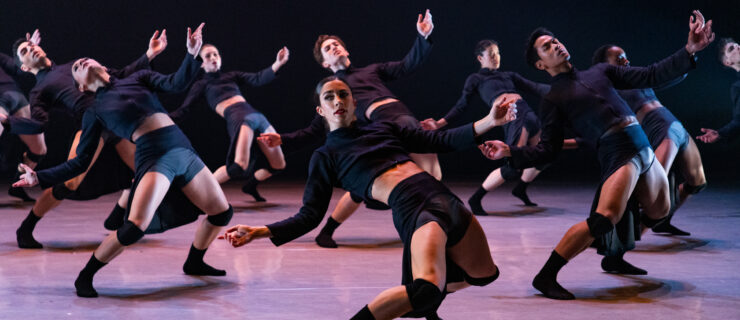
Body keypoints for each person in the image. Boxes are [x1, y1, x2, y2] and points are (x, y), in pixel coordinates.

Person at [222, 76, 514, 319]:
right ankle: (421, 294)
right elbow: (309, 215)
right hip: (416, 209)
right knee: (425, 288)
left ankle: (426, 294)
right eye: (329, 97)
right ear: (321, 110)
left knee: (485, 275)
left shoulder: (384, 127)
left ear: (354, 102)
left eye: (343, 94)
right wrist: (259, 231)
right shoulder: (325, 156)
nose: (337, 100)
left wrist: (489, 120)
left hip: (447, 200)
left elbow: (439, 141)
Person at [479, 10, 714, 300]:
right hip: (618, 153)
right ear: (541, 63)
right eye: (547, 47)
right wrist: (511, 151)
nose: (556, 45)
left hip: (642, 146)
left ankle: (614, 254)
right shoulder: (554, 98)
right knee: (604, 218)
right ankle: (546, 276)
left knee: (661, 210)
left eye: (555, 40)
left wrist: (690, 50)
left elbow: (650, 73)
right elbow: (548, 149)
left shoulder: (600, 72)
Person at [15, 24, 234, 298]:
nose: (82, 63)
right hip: (154, 157)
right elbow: (80, 161)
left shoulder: (138, 78)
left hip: (183, 149)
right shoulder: (93, 111)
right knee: (133, 228)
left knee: (222, 213)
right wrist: (40, 177)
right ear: (82, 86)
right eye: (77, 68)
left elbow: (175, 83)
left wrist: (191, 55)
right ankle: (86, 274)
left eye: (85, 60)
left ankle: (194, 261)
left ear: (102, 67)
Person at [257, 9, 439, 248]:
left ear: (346, 51)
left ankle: (330, 229)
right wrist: (283, 139)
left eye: (336, 45)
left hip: (404, 120)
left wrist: (423, 38)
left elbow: (407, 65)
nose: (334, 47)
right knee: (425, 180)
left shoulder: (372, 70)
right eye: (327, 48)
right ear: (325, 63)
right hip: (380, 130)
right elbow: (315, 128)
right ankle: (417, 225)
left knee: (428, 177)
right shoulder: (334, 89)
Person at [12, 29, 167, 248]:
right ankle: (26, 228)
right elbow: (39, 123)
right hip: (90, 128)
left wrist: (149, 55)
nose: (32, 49)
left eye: (32, 46)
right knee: (69, 183)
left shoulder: (75, 64)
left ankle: (116, 217)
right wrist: (8, 122)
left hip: (115, 121)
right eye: (25, 51)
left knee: (146, 171)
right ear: (24, 67)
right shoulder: (39, 89)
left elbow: (118, 75)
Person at [421, 39, 550, 213]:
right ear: (480, 58)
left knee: (544, 155)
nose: (496, 57)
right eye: (491, 54)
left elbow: (536, 87)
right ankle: (476, 198)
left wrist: (565, 88)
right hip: (513, 116)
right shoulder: (476, 79)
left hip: (529, 114)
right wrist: (440, 123)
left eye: (497, 53)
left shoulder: (509, 75)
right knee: (514, 164)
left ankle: (521, 188)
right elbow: (462, 105)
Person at [593, 44, 706, 236]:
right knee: (652, 191)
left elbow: (669, 75)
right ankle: (625, 237)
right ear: (605, 65)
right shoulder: (609, 89)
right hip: (661, 132)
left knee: (697, 182)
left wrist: (691, 53)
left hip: (676, 127)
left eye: (625, 55)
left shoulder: (638, 78)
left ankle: (663, 220)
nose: (625, 60)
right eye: (618, 58)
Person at [169, 43, 289, 202]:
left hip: (257, 116)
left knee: (278, 165)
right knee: (239, 166)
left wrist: (277, 64)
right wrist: (161, 118)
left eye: (215, 54)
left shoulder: (232, 76)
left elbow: (258, 78)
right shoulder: (202, 84)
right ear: (201, 63)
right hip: (239, 118)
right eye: (208, 56)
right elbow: (184, 110)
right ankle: (194, 192)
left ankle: (250, 186)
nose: (213, 58)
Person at [697, 38, 740, 142]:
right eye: (731, 49)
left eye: (736, 44)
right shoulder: (737, 88)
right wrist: (721, 133)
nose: (737, 47)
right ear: (728, 62)